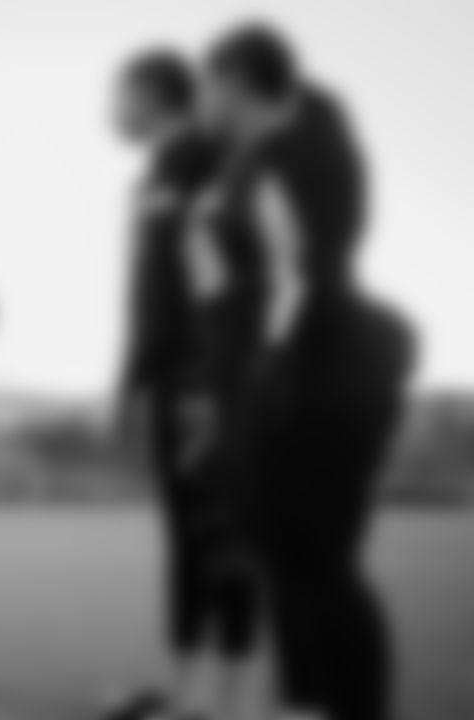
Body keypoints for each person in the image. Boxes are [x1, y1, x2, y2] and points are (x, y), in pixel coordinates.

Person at [195, 23, 417, 720]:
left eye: (206, 83)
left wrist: (266, 374)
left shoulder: (293, 153)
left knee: (316, 569)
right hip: (294, 379)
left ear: (233, 79)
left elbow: (298, 277)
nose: (202, 99)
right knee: (293, 570)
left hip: (314, 383)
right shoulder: (272, 152)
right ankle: (305, 706)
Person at [106, 49, 264, 720]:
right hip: (168, 379)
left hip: (210, 380)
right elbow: (149, 297)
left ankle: (236, 700)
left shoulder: (207, 158)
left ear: (152, 94)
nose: (110, 110)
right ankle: (184, 690)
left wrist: (206, 382)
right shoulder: (157, 173)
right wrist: (130, 385)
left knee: (222, 538)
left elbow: (222, 278)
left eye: (118, 94)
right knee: (186, 537)